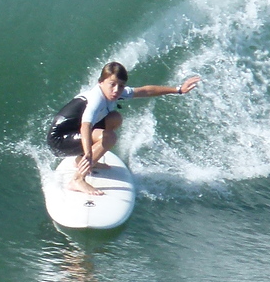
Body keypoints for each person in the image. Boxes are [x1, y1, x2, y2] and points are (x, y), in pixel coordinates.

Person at [46, 61, 201, 193]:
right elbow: (85, 126)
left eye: (120, 86)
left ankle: (80, 160)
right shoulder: (96, 99)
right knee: (109, 137)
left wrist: (178, 89)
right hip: (59, 140)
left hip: (75, 132)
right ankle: (78, 179)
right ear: (101, 82)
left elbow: (145, 91)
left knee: (115, 118)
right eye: (112, 84)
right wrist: (89, 154)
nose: (116, 90)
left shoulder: (116, 92)